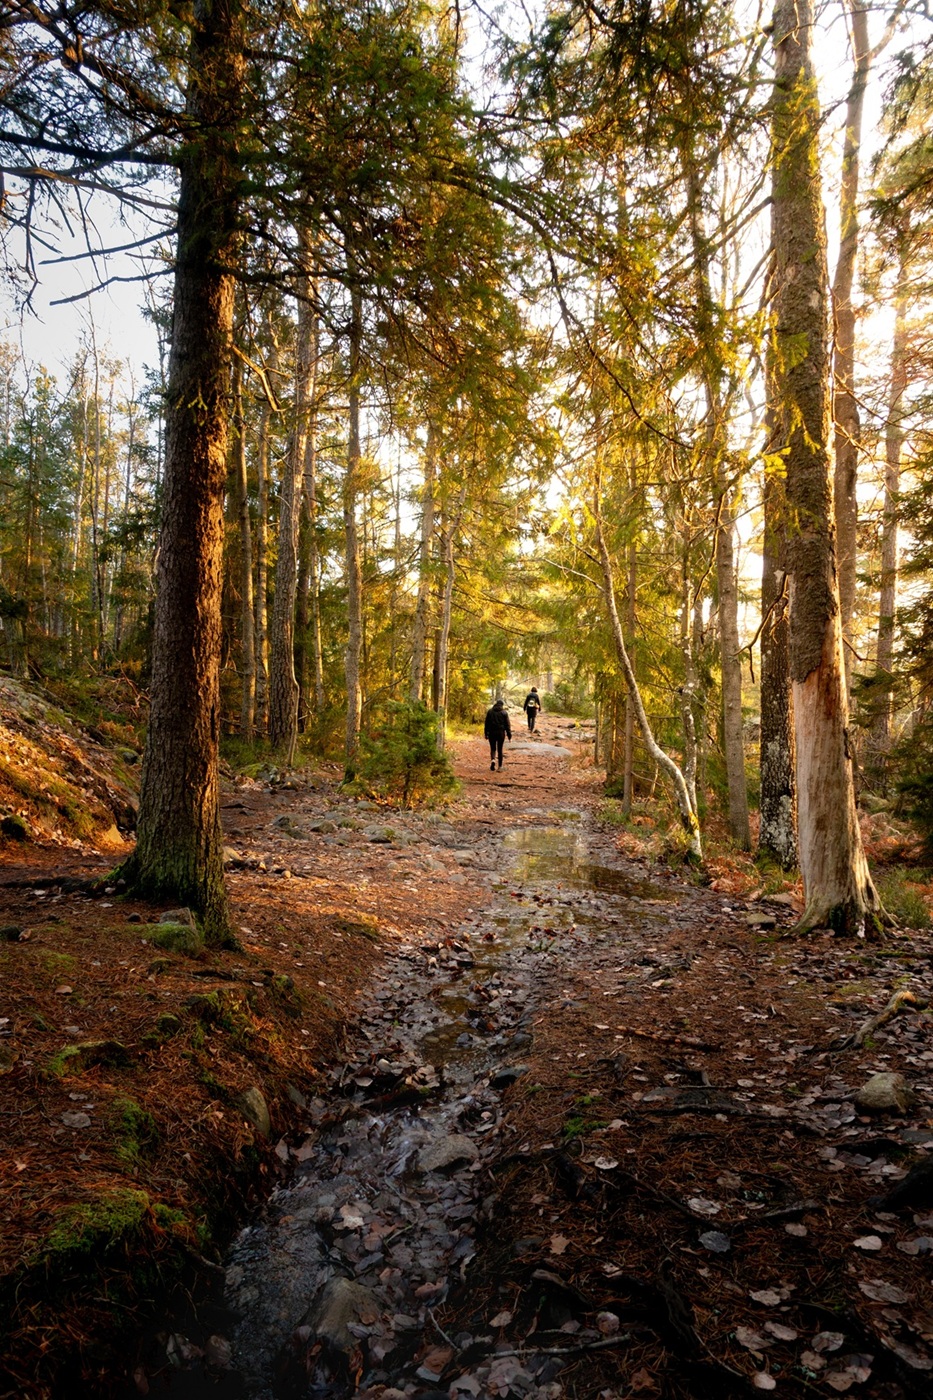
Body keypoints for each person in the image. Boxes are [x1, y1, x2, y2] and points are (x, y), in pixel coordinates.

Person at [484, 698, 511, 771]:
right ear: (502, 705)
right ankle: (500, 766)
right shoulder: (504, 712)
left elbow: (486, 723)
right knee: (500, 749)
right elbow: (507, 725)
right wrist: (509, 735)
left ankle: (493, 760)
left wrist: (486, 733)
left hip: (492, 732)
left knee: (493, 748)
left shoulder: (490, 711)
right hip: (500, 733)